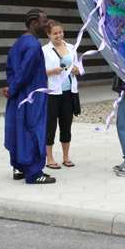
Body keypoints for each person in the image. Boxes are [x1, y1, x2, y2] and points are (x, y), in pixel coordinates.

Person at [2, 9, 56, 184]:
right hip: (31, 97)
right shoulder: (33, 45)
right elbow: (26, 72)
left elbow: (10, 68)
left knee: (18, 130)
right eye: (44, 21)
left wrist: (11, 87)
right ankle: (34, 173)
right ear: (34, 22)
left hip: (17, 96)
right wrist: (13, 88)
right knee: (34, 130)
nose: (47, 24)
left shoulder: (18, 43)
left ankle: (18, 168)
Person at [42, 20, 79, 169]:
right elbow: (37, 72)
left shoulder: (71, 47)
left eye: (60, 32)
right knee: (50, 125)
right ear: (48, 34)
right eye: (55, 33)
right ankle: (49, 158)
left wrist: (76, 70)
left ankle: (66, 157)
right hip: (52, 92)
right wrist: (52, 71)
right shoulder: (44, 50)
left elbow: (79, 68)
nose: (59, 35)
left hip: (69, 92)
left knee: (66, 125)